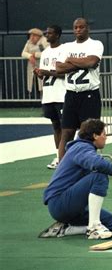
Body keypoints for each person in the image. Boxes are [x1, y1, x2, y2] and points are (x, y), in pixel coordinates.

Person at [40, 119, 112, 239]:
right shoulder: (81, 148)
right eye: (104, 134)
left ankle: (65, 229)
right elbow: (99, 164)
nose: (106, 137)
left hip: (69, 205)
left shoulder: (82, 148)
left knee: (111, 223)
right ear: (95, 136)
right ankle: (94, 227)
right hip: (59, 203)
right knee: (99, 176)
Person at [55, 18, 104, 161]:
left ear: (87, 28)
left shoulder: (95, 44)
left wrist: (70, 61)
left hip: (89, 94)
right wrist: (82, 64)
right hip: (71, 94)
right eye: (75, 27)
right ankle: (63, 164)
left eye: (81, 27)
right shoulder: (66, 47)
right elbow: (59, 68)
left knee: (88, 132)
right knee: (66, 132)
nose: (78, 30)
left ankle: (87, 162)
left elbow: (92, 61)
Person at [33, 25, 66, 170]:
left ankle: (65, 156)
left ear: (58, 35)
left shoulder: (64, 51)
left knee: (66, 127)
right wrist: (40, 73)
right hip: (49, 94)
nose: (47, 35)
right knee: (56, 126)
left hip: (61, 94)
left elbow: (65, 73)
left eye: (50, 33)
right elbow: (44, 74)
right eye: (46, 33)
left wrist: (47, 72)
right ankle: (59, 155)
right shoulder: (45, 52)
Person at [22, 28, 49, 95]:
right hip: (33, 67)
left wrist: (35, 55)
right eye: (31, 35)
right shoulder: (29, 42)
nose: (32, 37)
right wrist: (30, 56)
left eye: (34, 35)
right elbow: (23, 53)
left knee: (44, 85)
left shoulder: (44, 41)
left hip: (43, 66)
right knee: (36, 85)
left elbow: (47, 52)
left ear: (39, 36)